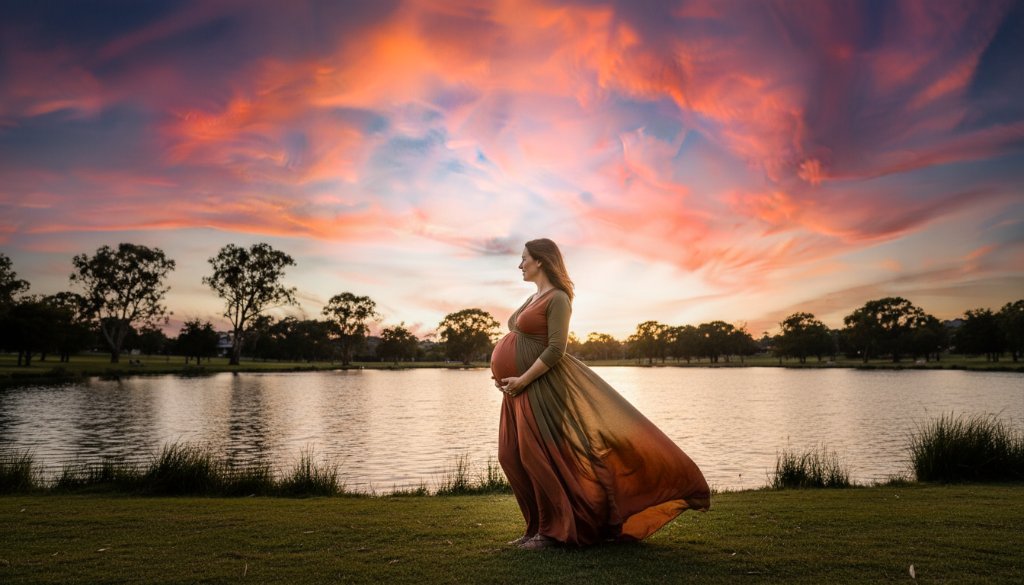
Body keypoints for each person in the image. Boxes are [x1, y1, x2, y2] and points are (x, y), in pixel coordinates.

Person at [491, 238, 710, 550]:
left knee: (535, 458)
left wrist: (523, 378)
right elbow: (519, 338)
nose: (520, 264)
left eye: (524, 258)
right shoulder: (532, 298)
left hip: (539, 389)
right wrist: (500, 371)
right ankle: (534, 528)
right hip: (514, 391)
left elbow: (556, 350)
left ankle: (549, 534)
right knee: (510, 456)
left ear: (540, 260)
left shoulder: (559, 299)